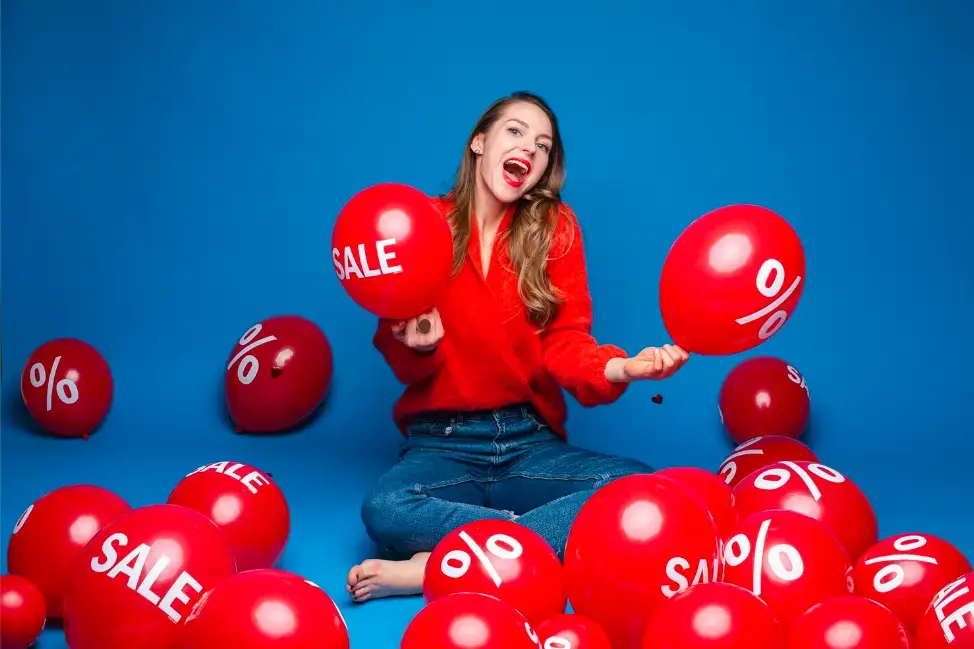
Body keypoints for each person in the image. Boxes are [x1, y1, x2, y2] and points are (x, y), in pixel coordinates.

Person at [346, 91, 689, 602]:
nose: (529, 149)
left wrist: (621, 368)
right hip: (442, 441)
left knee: (633, 488)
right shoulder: (421, 226)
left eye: (543, 146)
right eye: (516, 132)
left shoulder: (554, 228)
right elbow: (398, 355)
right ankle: (517, 547)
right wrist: (417, 346)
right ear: (479, 142)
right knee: (386, 507)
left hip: (529, 440)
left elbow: (565, 343)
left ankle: (444, 564)